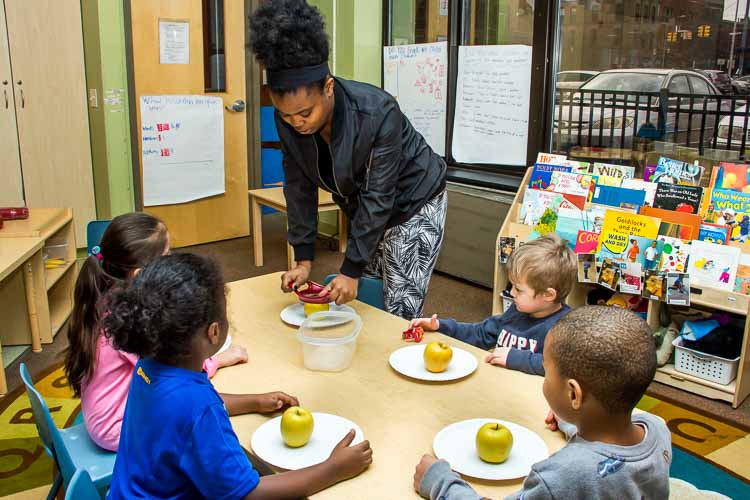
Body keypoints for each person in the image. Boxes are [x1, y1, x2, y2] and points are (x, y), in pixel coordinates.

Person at [105, 253, 373, 499]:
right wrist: (333, 469)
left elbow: (181, 411)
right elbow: (248, 494)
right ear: (213, 332)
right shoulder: (198, 409)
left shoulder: (148, 365)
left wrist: (253, 402)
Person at [249, 0, 447, 319]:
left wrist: (351, 268)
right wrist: (303, 259)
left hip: (414, 201)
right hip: (364, 204)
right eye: (286, 116)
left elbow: (379, 195)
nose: (296, 122)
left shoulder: (377, 112)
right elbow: (298, 187)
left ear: (328, 87)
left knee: (398, 307)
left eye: (304, 112)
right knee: (363, 300)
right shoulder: (287, 120)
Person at [413, 306, 671, 500]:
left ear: (574, 395)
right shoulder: (655, 428)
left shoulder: (563, 475)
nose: (545, 378)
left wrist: (439, 482)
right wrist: (572, 421)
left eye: (547, 371)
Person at [63, 212, 248, 451]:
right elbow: (171, 371)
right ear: (140, 274)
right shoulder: (127, 322)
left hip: (103, 414)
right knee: (195, 416)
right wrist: (218, 361)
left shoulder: (104, 296)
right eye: (167, 255)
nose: (172, 260)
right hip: (117, 429)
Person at [408, 235, 576, 376]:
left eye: (519, 289)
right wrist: (440, 326)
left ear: (548, 295)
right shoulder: (516, 311)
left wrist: (517, 359)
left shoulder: (565, 328)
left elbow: (564, 368)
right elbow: (480, 333)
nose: (512, 293)